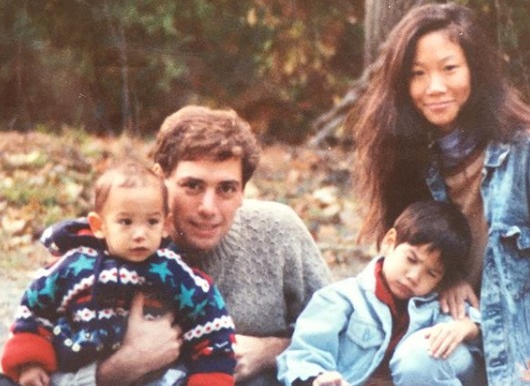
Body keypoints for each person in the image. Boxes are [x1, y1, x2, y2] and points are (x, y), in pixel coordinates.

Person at [34, 106, 332, 386]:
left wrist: (270, 351)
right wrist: (117, 369)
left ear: (243, 192)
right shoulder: (101, 250)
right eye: (193, 186)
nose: (208, 208)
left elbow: (345, 328)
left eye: (226, 189)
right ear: (160, 180)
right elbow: (28, 360)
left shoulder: (277, 230)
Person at [351, 2, 530, 385]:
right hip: (446, 324)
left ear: (475, 71)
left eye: (449, 69)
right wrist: (445, 276)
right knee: (418, 361)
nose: (434, 88)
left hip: (519, 336)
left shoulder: (522, 151)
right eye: (418, 74)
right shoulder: (406, 157)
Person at [1, 161, 236, 386]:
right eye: (126, 222)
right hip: (76, 365)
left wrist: (211, 377)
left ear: (165, 224)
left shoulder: (173, 272)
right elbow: (34, 309)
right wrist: (30, 363)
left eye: (152, 222)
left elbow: (212, 322)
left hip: (160, 378)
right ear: (99, 226)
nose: (139, 234)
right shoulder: (73, 267)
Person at [277, 200, 484, 386]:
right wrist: (317, 379)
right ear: (389, 242)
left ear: (443, 280)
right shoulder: (340, 299)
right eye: (411, 259)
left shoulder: (437, 306)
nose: (414, 276)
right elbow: (305, 354)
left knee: (427, 352)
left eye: (431, 273)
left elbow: (491, 333)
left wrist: (468, 327)